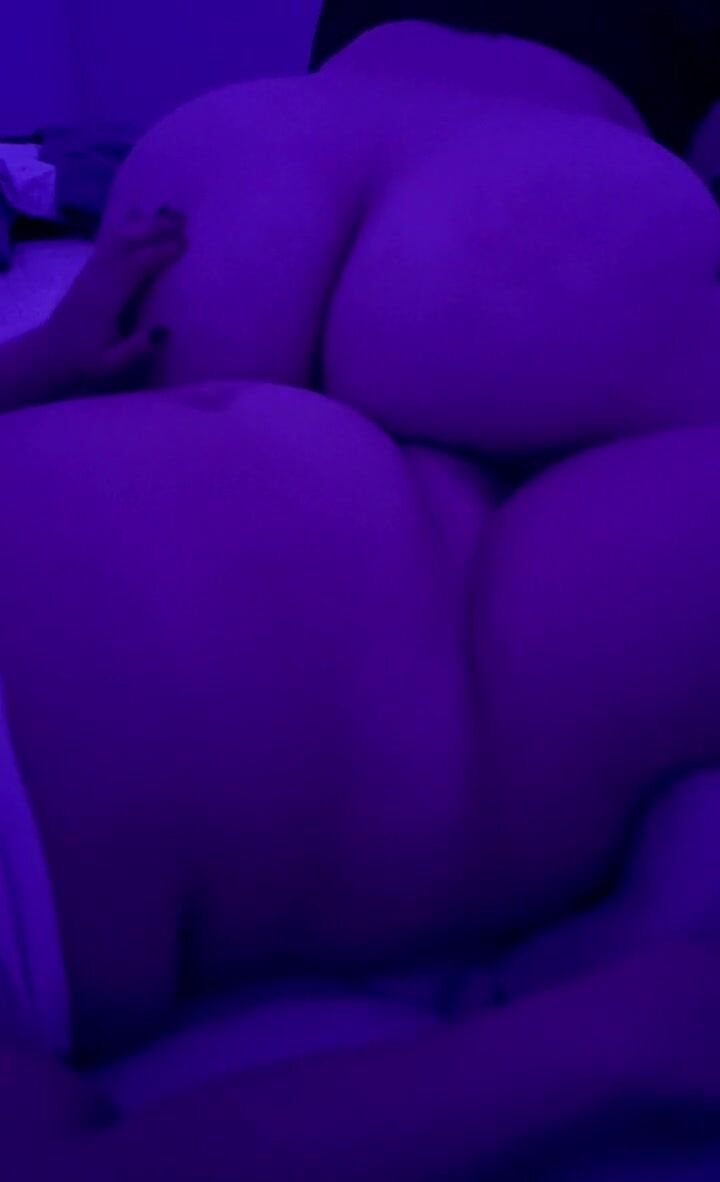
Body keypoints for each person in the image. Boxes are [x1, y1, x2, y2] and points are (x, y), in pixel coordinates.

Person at [2, 19, 720, 1181]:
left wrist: (38, 362)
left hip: (216, 376)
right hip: (465, 676)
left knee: (333, 117)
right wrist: (606, 1043)